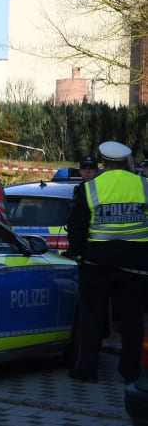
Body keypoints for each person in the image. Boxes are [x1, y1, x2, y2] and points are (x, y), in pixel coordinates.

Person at [66, 140, 148, 385]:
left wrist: (79, 254)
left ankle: (87, 369)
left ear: (103, 163)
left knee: (91, 317)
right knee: (133, 320)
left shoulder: (91, 188)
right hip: (136, 263)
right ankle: (130, 372)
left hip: (96, 263)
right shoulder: (144, 186)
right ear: (127, 162)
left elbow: (76, 226)